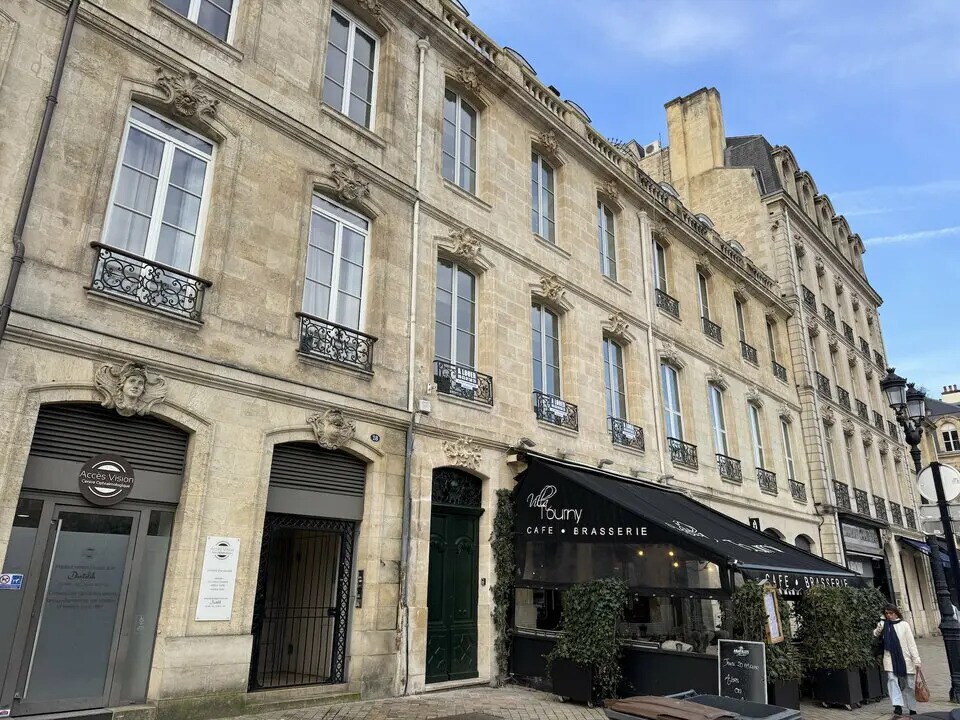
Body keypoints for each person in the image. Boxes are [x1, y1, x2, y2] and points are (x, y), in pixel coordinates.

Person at [874, 603, 923, 715]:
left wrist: (916, 659)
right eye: (886, 613)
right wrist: (880, 625)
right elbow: (875, 634)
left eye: (891, 613)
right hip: (889, 657)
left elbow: (911, 644)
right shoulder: (884, 625)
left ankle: (912, 707)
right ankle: (897, 705)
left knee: (909, 684)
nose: (889, 615)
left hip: (905, 658)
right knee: (892, 680)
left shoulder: (904, 625)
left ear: (896, 613)